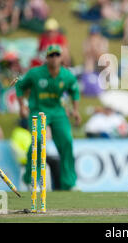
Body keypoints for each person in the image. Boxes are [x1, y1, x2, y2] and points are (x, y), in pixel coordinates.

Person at [16, 44, 81, 191]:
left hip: (58, 112)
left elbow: (75, 91)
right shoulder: (35, 73)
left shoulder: (67, 75)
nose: (54, 58)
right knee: (38, 140)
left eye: (57, 55)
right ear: (46, 57)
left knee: (67, 141)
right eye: (51, 55)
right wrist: (22, 106)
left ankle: (69, 183)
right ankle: (30, 179)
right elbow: (20, 86)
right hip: (38, 111)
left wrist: (75, 110)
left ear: (61, 57)